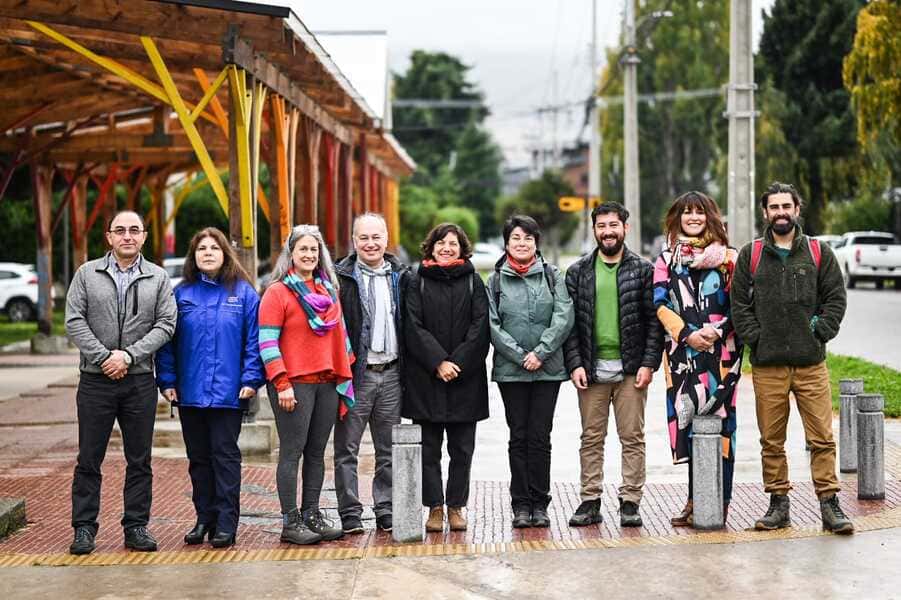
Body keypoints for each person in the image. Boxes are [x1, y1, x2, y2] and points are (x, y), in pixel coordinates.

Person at [731, 182, 853, 535]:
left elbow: (835, 298)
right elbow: (739, 305)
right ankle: (778, 505)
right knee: (772, 440)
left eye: (787, 206)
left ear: (797, 210)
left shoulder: (818, 252)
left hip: (811, 363)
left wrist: (820, 330)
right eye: (774, 207)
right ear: (765, 213)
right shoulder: (751, 255)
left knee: (821, 439)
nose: (781, 212)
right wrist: (757, 337)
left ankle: (829, 504)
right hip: (768, 366)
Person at [65, 210, 177, 555]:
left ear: (144, 236)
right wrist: (104, 357)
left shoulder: (157, 278)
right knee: (89, 458)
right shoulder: (86, 274)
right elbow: (73, 320)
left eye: (134, 230)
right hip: (96, 381)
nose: (127, 236)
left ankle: (136, 526)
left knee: (140, 459)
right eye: (120, 230)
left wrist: (127, 357)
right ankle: (84, 529)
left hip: (139, 381)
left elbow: (166, 324)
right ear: (109, 237)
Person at [155, 227, 264, 548]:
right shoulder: (181, 294)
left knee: (225, 458)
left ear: (224, 254)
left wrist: (250, 379)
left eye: (213, 248)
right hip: (189, 394)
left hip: (230, 394)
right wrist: (168, 381)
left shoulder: (243, 293)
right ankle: (204, 518)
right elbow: (167, 343)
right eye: (201, 248)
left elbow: (254, 342)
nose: (207, 253)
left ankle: (226, 524)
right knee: (198, 459)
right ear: (194, 256)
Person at [564, 201, 663, 528]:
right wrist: (575, 363)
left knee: (632, 437)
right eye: (601, 226)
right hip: (591, 371)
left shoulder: (643, 270)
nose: (607, 231)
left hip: (631, 370)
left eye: (613, 225)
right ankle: (590, 500)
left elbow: (654, 322)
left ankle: (630, 501)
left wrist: (649, 363)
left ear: (625, 228)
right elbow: (570, 326)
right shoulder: (578, 272)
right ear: (594, 230)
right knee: (591, 438)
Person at [258, 224, 354, 545]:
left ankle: (311, 512)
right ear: (291, 254)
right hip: (292, 385)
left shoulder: (328, 291)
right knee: (292, 451)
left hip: (326, 382)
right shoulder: (277, 293)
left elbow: (339, 339)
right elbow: (267, 342)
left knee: (316, 452)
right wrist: (281, 382)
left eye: (314, 249)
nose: (309, 255)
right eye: (303, 249)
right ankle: (290, 521)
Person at [652, 192, 743, 528]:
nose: (693, 217)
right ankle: (694, 499)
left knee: (722, 427)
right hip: (683, 355)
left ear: (710, 217)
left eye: (699, 212)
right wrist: (688, 334)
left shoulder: (730, 258)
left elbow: (741, 305)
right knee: (689, 425)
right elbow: (659, 303)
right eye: (686, 212)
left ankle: (721, 501)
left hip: (722, 354)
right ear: (677, 218)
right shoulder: (665, 259)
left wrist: (717, 332)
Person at [487, 215, 573, 528]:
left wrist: (541, 352)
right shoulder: (495, 280)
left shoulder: (552, 275)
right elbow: (493, 324)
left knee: (540, 437)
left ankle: (540, 503)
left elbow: (564, 316)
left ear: (536, 243)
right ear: (506, 243)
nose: (522, 244)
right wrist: (521, 355)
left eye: (528, 238)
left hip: (548, 370)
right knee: (518, 436)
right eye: (515, 238)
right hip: (511, 372)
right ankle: (520, 504)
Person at [404, 223, 490, 532]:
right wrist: (438, 361)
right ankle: (434, 508)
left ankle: (456, 507)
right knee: (428, 450)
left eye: (453, 243)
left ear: (462, 248)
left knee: (462, 450)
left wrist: (457, 363)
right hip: (426, 379)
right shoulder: (416, 282)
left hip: (465, 381)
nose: (446, 248)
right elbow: (412, 326)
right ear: (431, 247)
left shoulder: (473, 282)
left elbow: (481, 327)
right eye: (441, 243)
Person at [333, 213, 410, 534]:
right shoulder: (340, 277)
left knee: (388, 449)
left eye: (376, 237)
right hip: (355, 375)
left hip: (391, 374)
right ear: (354, 241)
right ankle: (350, 512)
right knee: (346, 449)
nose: (370, 243)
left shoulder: (402, 277)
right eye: (363, 237)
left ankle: (386, 508)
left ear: (386, 237)